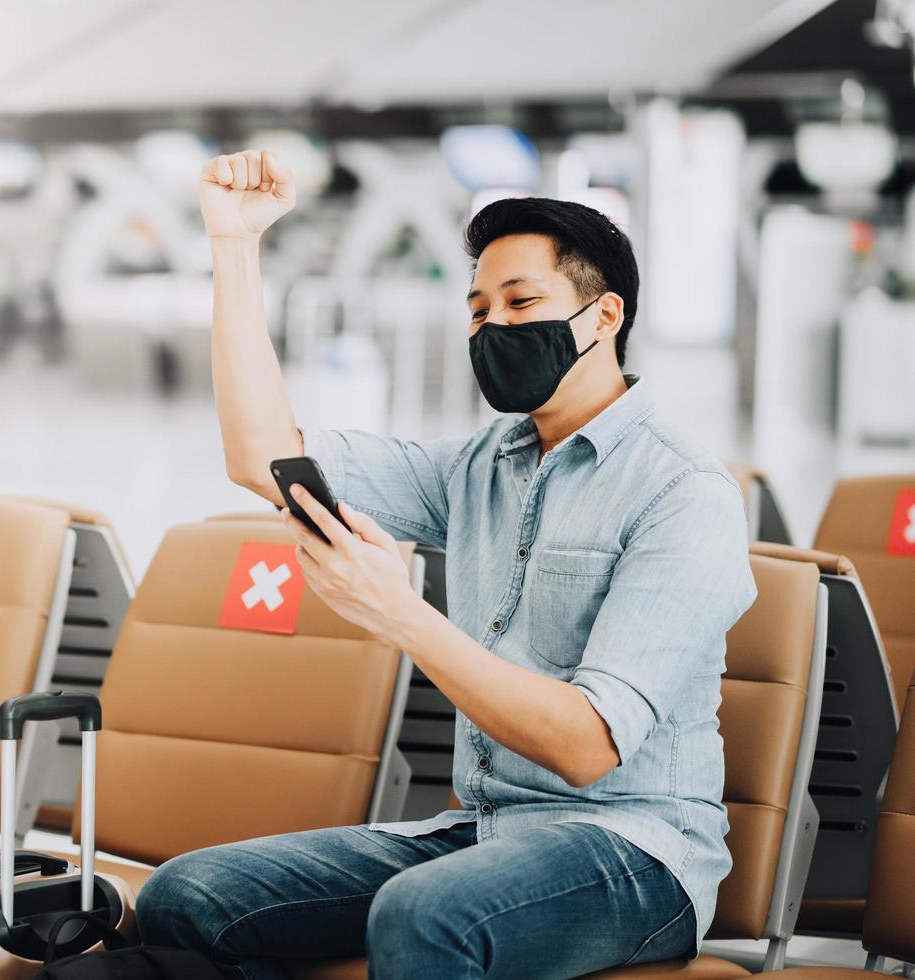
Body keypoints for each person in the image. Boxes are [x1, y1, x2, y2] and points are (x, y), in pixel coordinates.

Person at [134, 149, 757, 979]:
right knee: (188, 896)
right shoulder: (478, 466)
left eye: (520, 300)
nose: (493, 325)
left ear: (604, 317)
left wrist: (400, 613)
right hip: (487, 830)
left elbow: (585, 747)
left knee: (426, 914)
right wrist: (234, 246)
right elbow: (262, 457)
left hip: (635, 851)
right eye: (476, 309)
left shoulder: (683, 494)